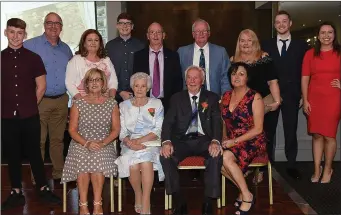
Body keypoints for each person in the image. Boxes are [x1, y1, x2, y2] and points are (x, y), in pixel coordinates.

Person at [1, 18, 61, 211]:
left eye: (19, 33)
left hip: (30, 115)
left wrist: (28, 106)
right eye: (12, 32)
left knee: (35, 152)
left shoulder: (33, 58)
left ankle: (43, 188)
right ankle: (16, 191)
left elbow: (41, 86)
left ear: (24, 35)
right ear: (6, 33)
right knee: (12, 154)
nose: (15, 36)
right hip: (7, 116)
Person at [160, 65, 222, 215]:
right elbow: (167, 122)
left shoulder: (211, 97)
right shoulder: (176, 98)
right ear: (185, 80)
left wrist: (215, 141)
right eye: (189, 77)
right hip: (182, 141)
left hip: (204, 140)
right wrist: (166, 142)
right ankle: (179, 201)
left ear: (202, 80)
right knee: (166, 156)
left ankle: (208, 201)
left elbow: (216, 122)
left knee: (215, 155)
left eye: (196, 77)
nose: (192, 80)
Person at [61, 68, 120, 215]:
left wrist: (102, 143)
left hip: (104, 143)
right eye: (91, 80)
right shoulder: (78, 103)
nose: (94, 83)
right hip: (81, 142)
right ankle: (83, 205)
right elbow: (72, 130)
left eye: (97, 79)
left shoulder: (112, 104)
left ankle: (98, 204)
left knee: (98, 160)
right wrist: (86, 143)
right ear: (86, 84)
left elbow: (116, 130)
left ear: (103, 82)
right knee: (83, 160)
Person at [24, 12, 73, 181]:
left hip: (61, 100)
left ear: (61, 27)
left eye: (57, 23)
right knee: (38, 140)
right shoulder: (30, 45)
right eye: (49, 23)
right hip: (39, 101)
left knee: (58, 140)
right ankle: (37, 177)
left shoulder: (66, 49)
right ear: (44, 25)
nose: (53, 26)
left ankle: (59, 173)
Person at [262, 10, 309, 180]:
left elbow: (306, 72)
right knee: (268, 131)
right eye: (278, 22)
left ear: (290, 23)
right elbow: (262, 71)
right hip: (270, 95)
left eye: (284, 21)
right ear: (275, 25)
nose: (281, 24)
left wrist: (305, 95)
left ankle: (291, 164)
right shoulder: (266, 45)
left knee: (291, 130)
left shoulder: (301, 46)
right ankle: (267, 164)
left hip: (292, 94)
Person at [231, 29, 281, 183]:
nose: (245, 43)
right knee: (244, 137)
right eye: (242, 40)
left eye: (249, 40)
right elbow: (232, 84)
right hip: (243, 104)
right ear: (239, 43)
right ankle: (245, 167)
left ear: (255, 42)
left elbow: (272, 81)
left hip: (265, 101)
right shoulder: (233, 60)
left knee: (264, 137)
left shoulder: (264, 58)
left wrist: (277, 101)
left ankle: (262, 169)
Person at [115, 72, 165, 215]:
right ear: (132, 87)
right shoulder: (123, 105)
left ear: (148, 87)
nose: (139, 89)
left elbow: (158, 129)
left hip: (151, 141)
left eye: (143, 86)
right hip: (129, 142)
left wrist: (140, 141)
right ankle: (138, 194)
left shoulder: (157, 103)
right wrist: (130, 143)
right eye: (136, 86)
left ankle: (146, 199)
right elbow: (122, 131)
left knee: (146, 162)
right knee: (133, 164)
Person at [220, 62, 266, 215]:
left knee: (226, 157)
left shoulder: (255, 97)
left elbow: (258, 129)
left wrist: (234, 142)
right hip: (232, 140)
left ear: (247, 78)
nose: (237, 77)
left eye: (241, 74)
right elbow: (224, 122)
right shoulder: (226, 96)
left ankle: (246, 196)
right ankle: (244, 190)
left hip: (252, 140)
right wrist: (224, 137)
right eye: (234, 74)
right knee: (215, 158)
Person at [302, 21, 340, 184]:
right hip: (314, 98)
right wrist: (305, 100)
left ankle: (328, 168)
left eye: (329, 32)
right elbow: (304, 78)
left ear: (334, 35)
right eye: (323, 32)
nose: (326, 36)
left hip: (333, 98)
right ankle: (317, 169)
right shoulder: (310, 54)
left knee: (329, 135)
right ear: (318, 35)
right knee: (317, 135)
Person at [133, 22, 183, 112]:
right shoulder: (138, 56)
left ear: (163, 35)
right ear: (147, 36)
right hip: (145, 102)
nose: (155, 35)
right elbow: (135, 80)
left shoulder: (173, 56)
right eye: (152, 32)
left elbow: (178, 81)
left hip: (168, 104)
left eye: (158, 32)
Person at [177, 19, 231, 96]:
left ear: (209, 33)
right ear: (193, 34)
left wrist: (225, 98)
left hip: (215, 98)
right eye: (198, 31)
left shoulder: (220, 52)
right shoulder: (182, 52)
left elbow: (226, 77)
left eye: (204, 31)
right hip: (188, 99)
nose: (201, 34)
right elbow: (177, 79)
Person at [65, 29, 118, 100]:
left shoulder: (107, 60)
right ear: (84, 43)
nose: (93, 43)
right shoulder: (75, 60)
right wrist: (82, 102)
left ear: (100, 43)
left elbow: (113, 81)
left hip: (105, 102)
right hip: (82, 102)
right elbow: (69, 83)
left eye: (96, 40)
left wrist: (111, 100)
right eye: (89, 40)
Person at [105, 12, 145, 103]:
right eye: (121, 23)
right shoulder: (109, 46)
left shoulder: (141, 45)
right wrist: (120, 92)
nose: (125, 26)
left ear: (132, 26)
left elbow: (144, 71)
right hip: (114, 94)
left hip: (137, 94)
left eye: (128, 23)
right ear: (117, 26)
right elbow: (106, 72)